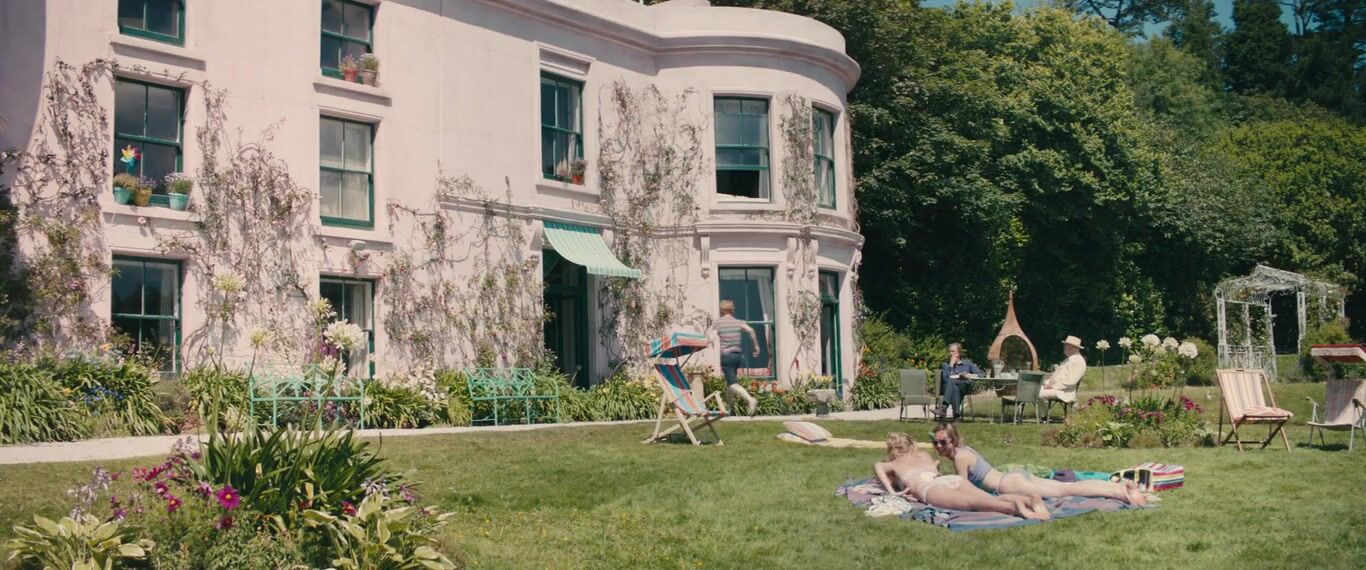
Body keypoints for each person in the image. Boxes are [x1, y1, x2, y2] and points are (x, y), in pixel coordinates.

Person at [931, 423, 1146, 506]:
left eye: (944, 442)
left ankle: (1120, 493)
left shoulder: (959, 457)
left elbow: (963, 487)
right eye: (936, 442)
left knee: (1065, 490)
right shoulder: (965, 451)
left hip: (1008, 485)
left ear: (954, 440)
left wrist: (937, 480)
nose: (939, 446)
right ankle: (1119, 488)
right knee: (1066, 487)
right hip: (1014, 478)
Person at [873, 432, 1051, 520]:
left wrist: (893, 492)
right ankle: (1027, 499)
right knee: (986, 498)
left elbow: (877, 467)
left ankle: (1014, 507)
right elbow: (935, 465)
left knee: (973, 504)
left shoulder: (893, 464)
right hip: (949, 480)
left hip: (929, 489)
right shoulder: (924, 455)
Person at [715, 299, 759, 415]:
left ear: (721, 310)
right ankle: (729, 409)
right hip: (738, 356)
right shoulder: (738, 322)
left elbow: (710, 336)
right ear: (732, 310)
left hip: (727, 356)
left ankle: (750, 400)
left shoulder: (718, 323)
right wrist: (756, 346)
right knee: (730, 383)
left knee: (733, 384)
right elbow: (751, 330)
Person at [936, 343, 983, 420]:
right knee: (955, 387)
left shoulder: (967, 364)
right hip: (950, 388)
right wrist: (951, 365)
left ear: (959, 353)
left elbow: (981, 374)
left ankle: (944, 407)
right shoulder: (945, 365)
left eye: (953, 351)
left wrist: (969, 375)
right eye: (949, 351)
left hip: (964, 387)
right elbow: (945, 379)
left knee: (953, 382)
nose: (950, 353)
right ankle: (956, 415)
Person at [1040, 335, 1087, 405]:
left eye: (1067, 345)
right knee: (1031, 390)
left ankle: (1042, 412)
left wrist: (1053, 386)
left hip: (1065, 392)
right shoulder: (1069, 360)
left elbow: (1071, 381)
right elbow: (1057, 376)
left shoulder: (1079, 361)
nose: (1064, 347)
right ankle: (1039, 411)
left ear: (1074, 347)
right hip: (1056, 389)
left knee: (1039, 393)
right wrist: (1046, 383)